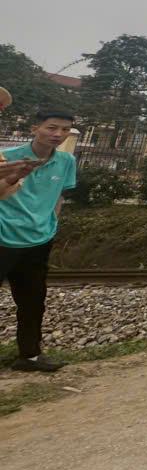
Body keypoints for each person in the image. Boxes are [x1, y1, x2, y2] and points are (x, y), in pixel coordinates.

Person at [0, 109, 78, 372]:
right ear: (35, 128)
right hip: (3, 238)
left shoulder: (66, 161)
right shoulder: (7, 157)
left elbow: (59, 195)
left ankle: (30, 356)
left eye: (65, 130)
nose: (58, 134)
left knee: (33, 301)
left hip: (38, 241)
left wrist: (52, 224)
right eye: (52, 127)